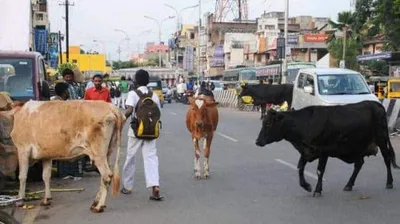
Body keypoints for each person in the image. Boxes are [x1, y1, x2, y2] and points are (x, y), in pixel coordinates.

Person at [121, 69, 163, 201]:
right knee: (151, 158)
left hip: (136, 131)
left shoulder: (133, 94)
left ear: (136, 80)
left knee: (130, 158)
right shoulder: (154, 95)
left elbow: (129, 110)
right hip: (151, 131)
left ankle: (127, 186)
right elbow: (158, 113)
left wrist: (120, 121)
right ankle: (155, 186)